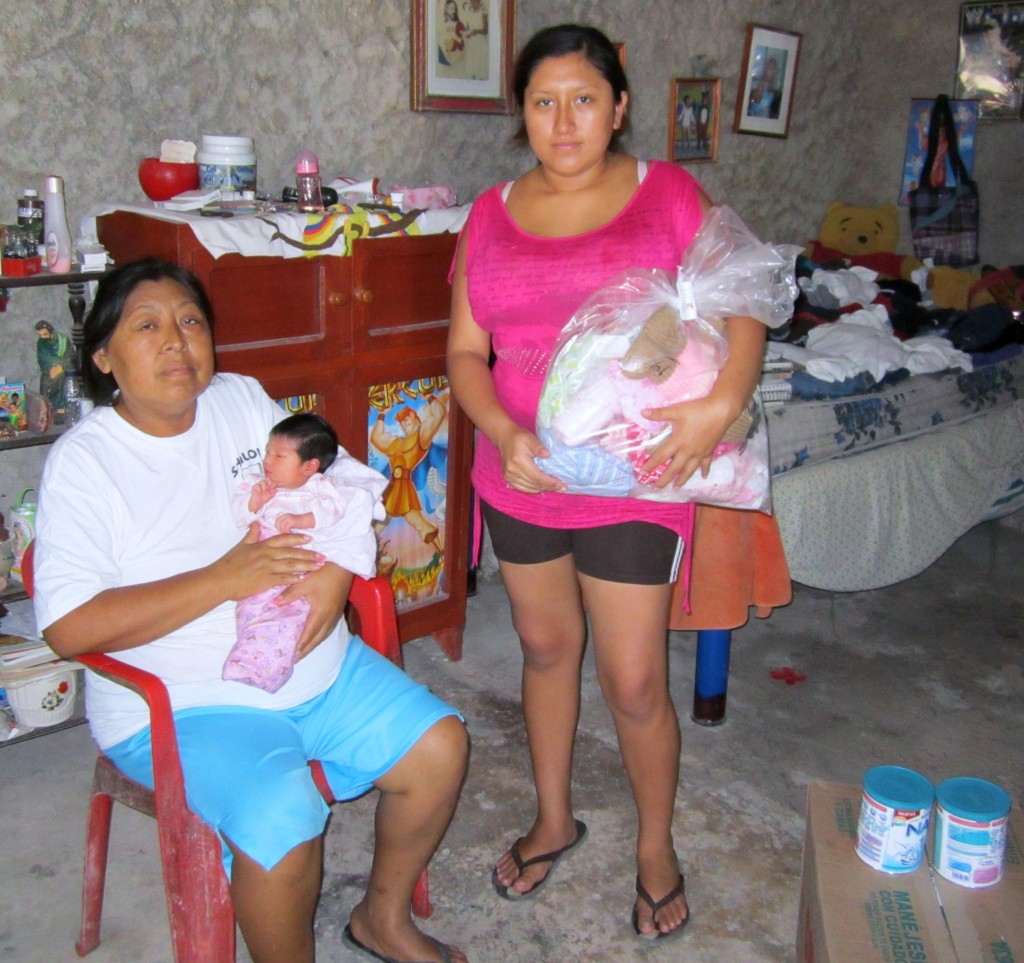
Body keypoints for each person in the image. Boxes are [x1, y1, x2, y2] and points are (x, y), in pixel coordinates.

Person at [32, 258, 470, 963]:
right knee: (284, 818)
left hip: (315, 667)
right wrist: (223, 578)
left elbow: (348, 480)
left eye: (191, 321)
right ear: (104, 356)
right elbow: (69, 626)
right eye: (148, 326)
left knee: (442, 746)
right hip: (184, 706)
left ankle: (381, 918)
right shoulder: (86, 464)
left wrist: (334, 574)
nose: (177, 340)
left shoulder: (242, 399)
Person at [446, 23, 769, 945]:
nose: (563, 120)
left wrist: (720, 406)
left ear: (619, 106)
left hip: (638, 473)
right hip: (525, 476)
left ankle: (657, 848)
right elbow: (467, 351)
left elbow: (742, 294)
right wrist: (504, 429)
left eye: (583, 99)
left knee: (632, 680)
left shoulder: (663, 192)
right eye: (543, 101)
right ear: (523, 115)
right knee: (546, 651)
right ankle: (555, 817)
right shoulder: (490, 213)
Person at [224, 412, 385, 693]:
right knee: (251, 605)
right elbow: (240, 517)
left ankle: (270, 668)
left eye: (279, 456)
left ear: (310, 467)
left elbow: (333, 512)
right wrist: (254, 502)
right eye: (267, 452)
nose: (267, 461)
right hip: (264, 556)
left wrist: (302, 520)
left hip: (304, 559)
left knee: (292, 613)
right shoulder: (258, 484)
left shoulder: (321, 488)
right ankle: (247, 656)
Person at [34, 320, 70, 413]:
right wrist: (50, 368)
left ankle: (62, 407)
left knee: (63, 379)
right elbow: (42, 358)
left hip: (63, 367)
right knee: (45, 382)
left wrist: (61, 366)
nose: (43, 337)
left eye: (45, 334)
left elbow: (70, 355)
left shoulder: (63, 340)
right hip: (49, 369)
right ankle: (49, 408)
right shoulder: (41, 343)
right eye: (40, 335)